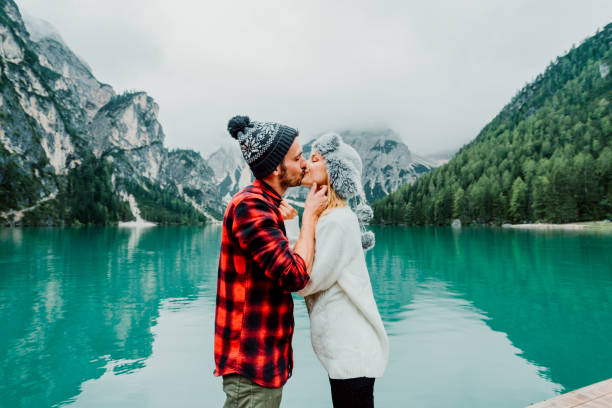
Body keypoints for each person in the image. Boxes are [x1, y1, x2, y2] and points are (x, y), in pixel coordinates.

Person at [213, 115, 328, 408]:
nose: (304, 164)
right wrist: (310, 218)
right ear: (277, 168)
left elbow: (278, 265)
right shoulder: (251, 206)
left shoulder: (267, 205)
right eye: (298, 158)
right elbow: (294, 276)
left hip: (263, 364)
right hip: (251, 368)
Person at [283, 132, 389, 408]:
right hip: (347, 352)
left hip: (351, 353)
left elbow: (305, 281)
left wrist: (297, 224)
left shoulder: (338, 222)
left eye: (315, 159)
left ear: (334, 172)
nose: (305, 163)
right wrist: (301, 221)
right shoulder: (330, 218)